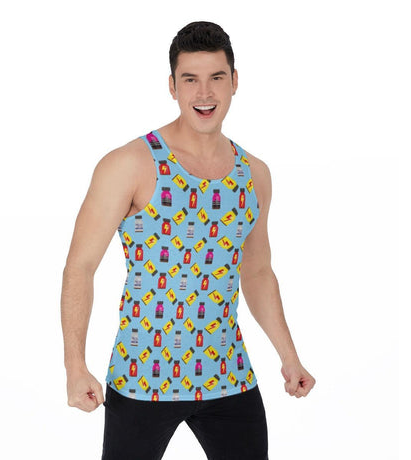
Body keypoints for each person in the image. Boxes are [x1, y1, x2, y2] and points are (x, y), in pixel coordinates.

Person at [61, 21, 316, 460]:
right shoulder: (129, 164)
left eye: (216, 77)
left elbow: (257, 271)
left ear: (235, 81)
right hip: (142, 378)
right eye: (190, 79)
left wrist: (289, 357)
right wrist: (74, 365)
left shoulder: (254, 174)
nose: (204, 93)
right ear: (172, 86)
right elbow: (80, 266)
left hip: (228, 376)